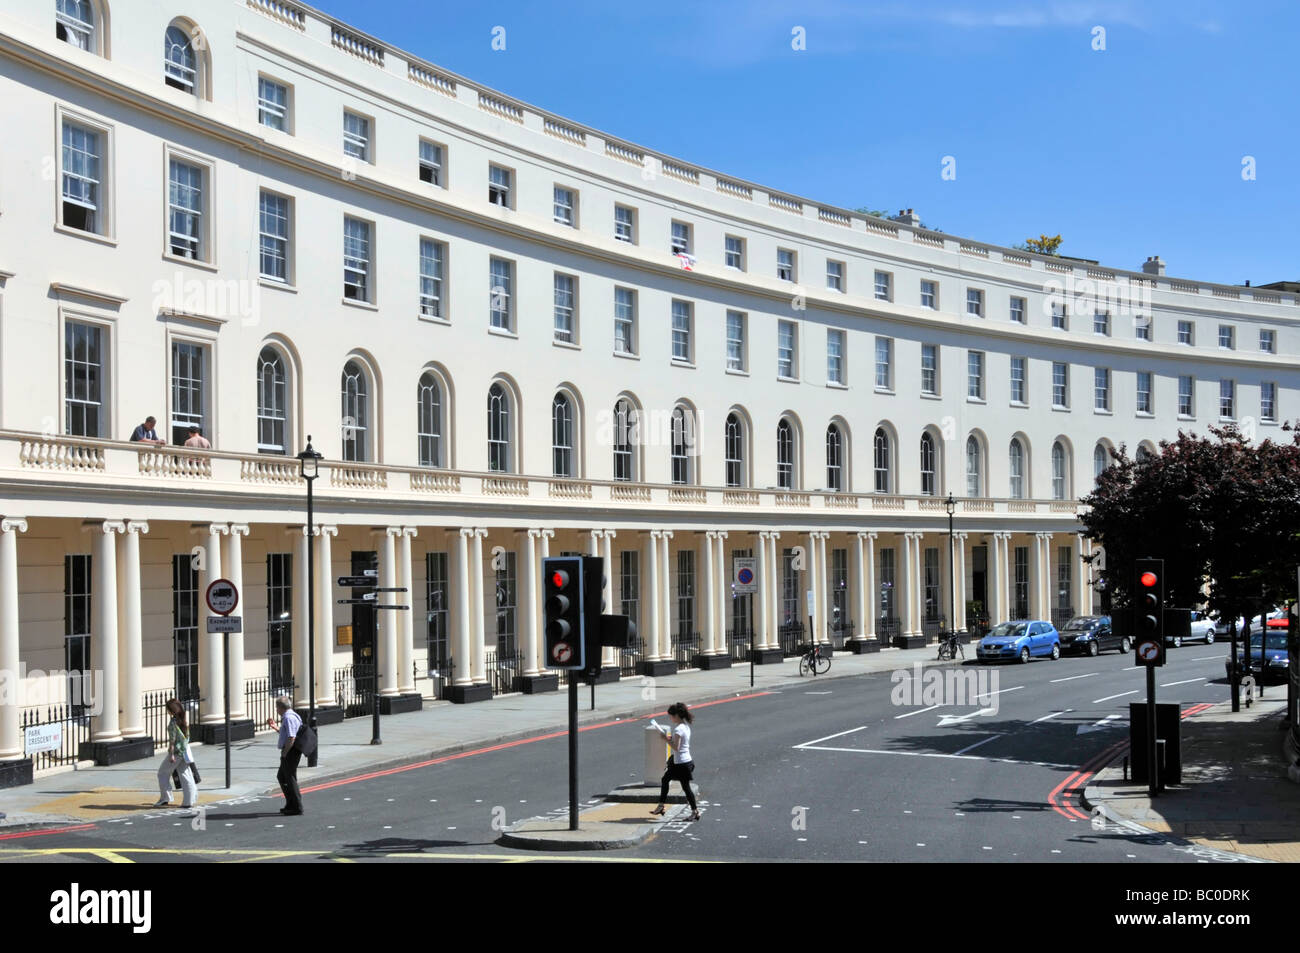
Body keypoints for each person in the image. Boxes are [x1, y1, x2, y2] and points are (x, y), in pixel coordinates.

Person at [650, 702, 699, 821]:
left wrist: (665, 739)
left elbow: (676, 747)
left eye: (671, 716)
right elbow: (681, 743)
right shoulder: (685, 726)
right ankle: (662, 806)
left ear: (676, 715)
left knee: (683, 787)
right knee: (669, 780)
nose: (670, 718)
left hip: (681, 763)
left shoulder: (678, 729)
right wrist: (669, 739)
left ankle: (694, 811)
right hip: (686, 761)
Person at [154, 698, 197, 809]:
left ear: (171, 710)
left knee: (162, 773)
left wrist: (171, 754)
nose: (167, 711)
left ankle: (165, 798)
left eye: (167, 709)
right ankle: (189, 800)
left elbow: (172, 741)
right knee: (185, 774)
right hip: (185, 751)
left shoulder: (173, 723)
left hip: (177, 752)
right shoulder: (184, 720)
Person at [267, 695, 304, 815]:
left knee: (290, 778)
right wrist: (275, 728)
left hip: (291, 751)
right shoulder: (291, 715)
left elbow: (291, 737)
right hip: (291, 750)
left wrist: (285, 752)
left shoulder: (288, 718)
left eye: (276, 707)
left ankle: (297, 807)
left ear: (280, 707)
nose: (276, 710)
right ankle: (290, 803)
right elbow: (287, 733)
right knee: (282, 777)